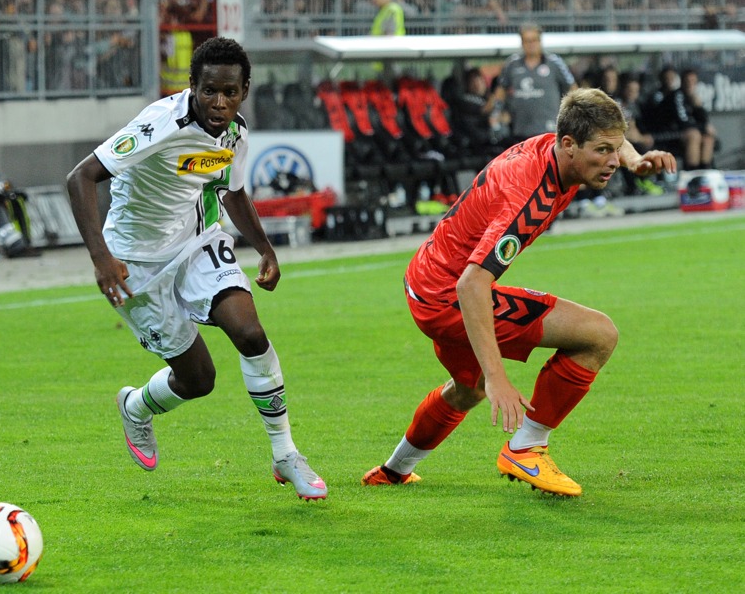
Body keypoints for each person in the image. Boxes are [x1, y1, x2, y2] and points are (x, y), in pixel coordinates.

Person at [361, 88, 676, 496]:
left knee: (466, 388)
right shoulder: (531, 194)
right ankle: (525, 448)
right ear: (568, 144)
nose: (612, 161)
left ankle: (393, 470)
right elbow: (472, 283)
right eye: (603, 151)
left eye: (615, 149)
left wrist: (635, 160)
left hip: (423, 281)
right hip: (449, 294)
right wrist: (499, 378)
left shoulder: (558, 146)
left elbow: (607, 138)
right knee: (598, 335)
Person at [66, 37, 327, 501]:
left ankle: (286, 455)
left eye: (230, 92)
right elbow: (80, 177)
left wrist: (264, 248)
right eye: (209, 91)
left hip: (197, 241)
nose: (219, 102)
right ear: (192, 86)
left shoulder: (236, 133)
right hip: (135, 263)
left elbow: (232, 190)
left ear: (245, 90)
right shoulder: (158, 124)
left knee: (250, 334)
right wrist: (102, 257)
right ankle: (137, 405)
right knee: (198, 380)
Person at [493, 23, 577, 144]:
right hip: (520, 129)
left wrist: (570, 115)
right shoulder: (512, 64)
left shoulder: (554, 63)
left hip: (549, 129)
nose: (531, 44)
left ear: (540, 41)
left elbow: (573, 88)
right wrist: (497, 112)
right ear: (522, 43)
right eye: (527, 41)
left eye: (534, 40)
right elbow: (501, 90)